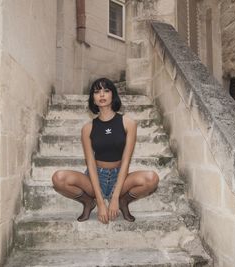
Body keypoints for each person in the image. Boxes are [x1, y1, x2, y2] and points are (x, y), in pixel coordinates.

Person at [52, 77, 159, 224]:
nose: (102, 95)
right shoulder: (87, 128)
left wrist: (115, 198)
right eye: (97, 92)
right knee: (59, 178)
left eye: (106, 91)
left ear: (112, 95)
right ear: (93, 99)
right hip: (95, 177)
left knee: (151, 179)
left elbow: (126, 161)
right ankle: (88, 202)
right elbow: (90, 163)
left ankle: (124, 201)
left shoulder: (128, 123)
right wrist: (101, 203)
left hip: (118, 177)